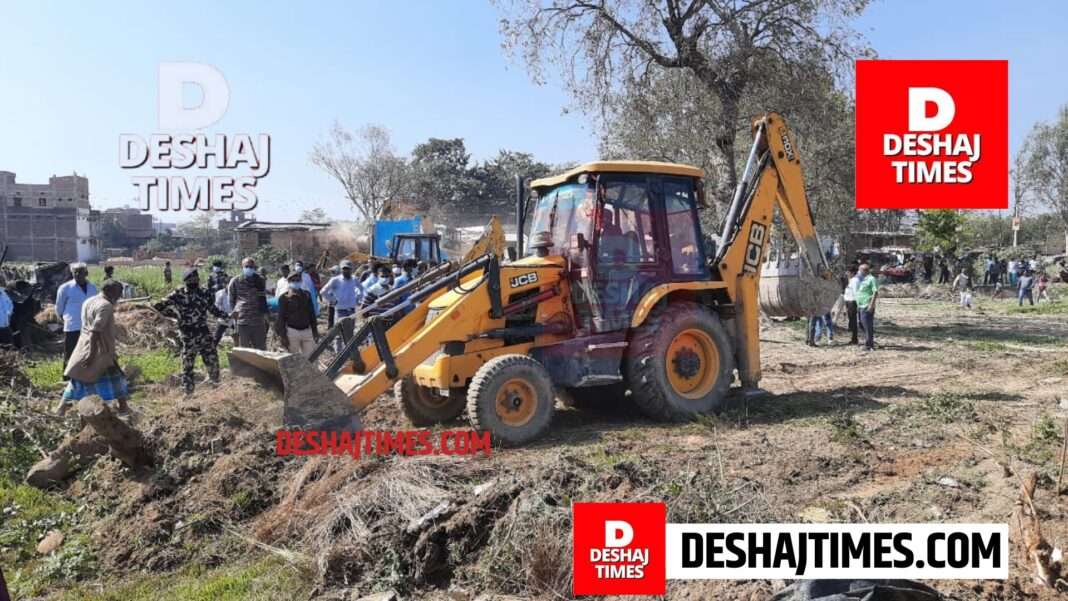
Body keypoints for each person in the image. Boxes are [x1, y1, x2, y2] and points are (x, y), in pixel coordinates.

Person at [57, 280, 130, 416]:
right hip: (99, 351)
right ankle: (124, 409)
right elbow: (95, 330)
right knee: (111, 379)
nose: (119, 297)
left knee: (80, 379)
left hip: (84, 347)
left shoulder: (89, 301)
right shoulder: (105, 305)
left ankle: (61, 409)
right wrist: (91, 354)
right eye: (118, 294)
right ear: (111, 292)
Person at [153, 269, 229, 394]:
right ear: (186, 281)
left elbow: (213, 309)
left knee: (212, 359)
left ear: (198, 280)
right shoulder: (178, 294)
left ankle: (215, 386)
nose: (194, 282)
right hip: (188, 334)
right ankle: (188, 392)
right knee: (187, 364)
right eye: (191, 280)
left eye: (196, 280)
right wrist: (175, 315)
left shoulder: (205, 293)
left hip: (203, 332)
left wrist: (227, 316)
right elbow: (158, 306)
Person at [56, 264, 98, 377]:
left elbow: (96, 306)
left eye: (80, 272)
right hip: (72, 325)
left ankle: (86, 376)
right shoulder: (65, 288)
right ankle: (67, 378)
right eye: (75, 272)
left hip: (89, 326)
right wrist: (65, 320)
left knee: (88, 351)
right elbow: (59, 308)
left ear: (86, 273)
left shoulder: (93, 288)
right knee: (70, 352)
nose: (78, 274)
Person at [320, 260, 362, 350]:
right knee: (338, 334)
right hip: (340, 311)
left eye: (348, 269)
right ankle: (338, 355)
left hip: (351, 310)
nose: (346, 271)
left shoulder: (354, 279)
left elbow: (361, 289)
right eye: (344, 269)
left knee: (350, 334)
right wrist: (332, 300)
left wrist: (358, 298)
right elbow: (323, 292)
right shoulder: (335, 280)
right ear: (341, 269)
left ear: (351, 269)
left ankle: (350, 354)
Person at [227, 257, 268, 350]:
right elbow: (231, 299)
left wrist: (265, 316)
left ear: (254, 267)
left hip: (258, 321)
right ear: (242, 267)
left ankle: (259, 365)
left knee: (261, 349)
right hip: (243, 321)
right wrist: (235, 313)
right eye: (247, 266)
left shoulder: (260, 280)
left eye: (251, 266)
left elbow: (263, 298)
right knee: (245, 350)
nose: (249, 268)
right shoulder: (235, 281)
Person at [276, 272, 319, 356]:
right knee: (293, 360)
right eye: (293, 280)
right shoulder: (284, 298)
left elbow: (312, 314)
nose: (296, 282)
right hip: (292, 332)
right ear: (289, 282)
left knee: (311, 359)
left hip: (307, 331)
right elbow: (281, 318)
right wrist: (283, 336)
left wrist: (315, 330)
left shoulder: (307, 295)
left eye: (298, 280)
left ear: (301, 281)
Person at [855, 263, 878, 352]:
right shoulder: (862, 279)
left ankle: (869, 345)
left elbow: (875, 292)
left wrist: (871, 305)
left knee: (867, 325)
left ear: (864, 270)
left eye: (860, 270)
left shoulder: (871, 279)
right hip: (860, 305)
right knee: (861, 323)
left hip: (867, 305)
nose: (858, 272)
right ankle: (869, 340)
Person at [842, 267, 860, 345]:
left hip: (853, 301)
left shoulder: (855, 281)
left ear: (852, 273)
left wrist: (858, 304)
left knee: (853, 320)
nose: (846, 274)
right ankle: (853, 338)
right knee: (851, 320)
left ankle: (854, 338)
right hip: (848, 301)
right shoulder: (850, 280)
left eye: (848, 272)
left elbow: (856, 292)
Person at [0, 276, 13, 348]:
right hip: (3, 324)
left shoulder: (3, 292)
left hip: (5, 325)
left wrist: (9, 314)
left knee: (9, 344)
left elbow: (10, 305)